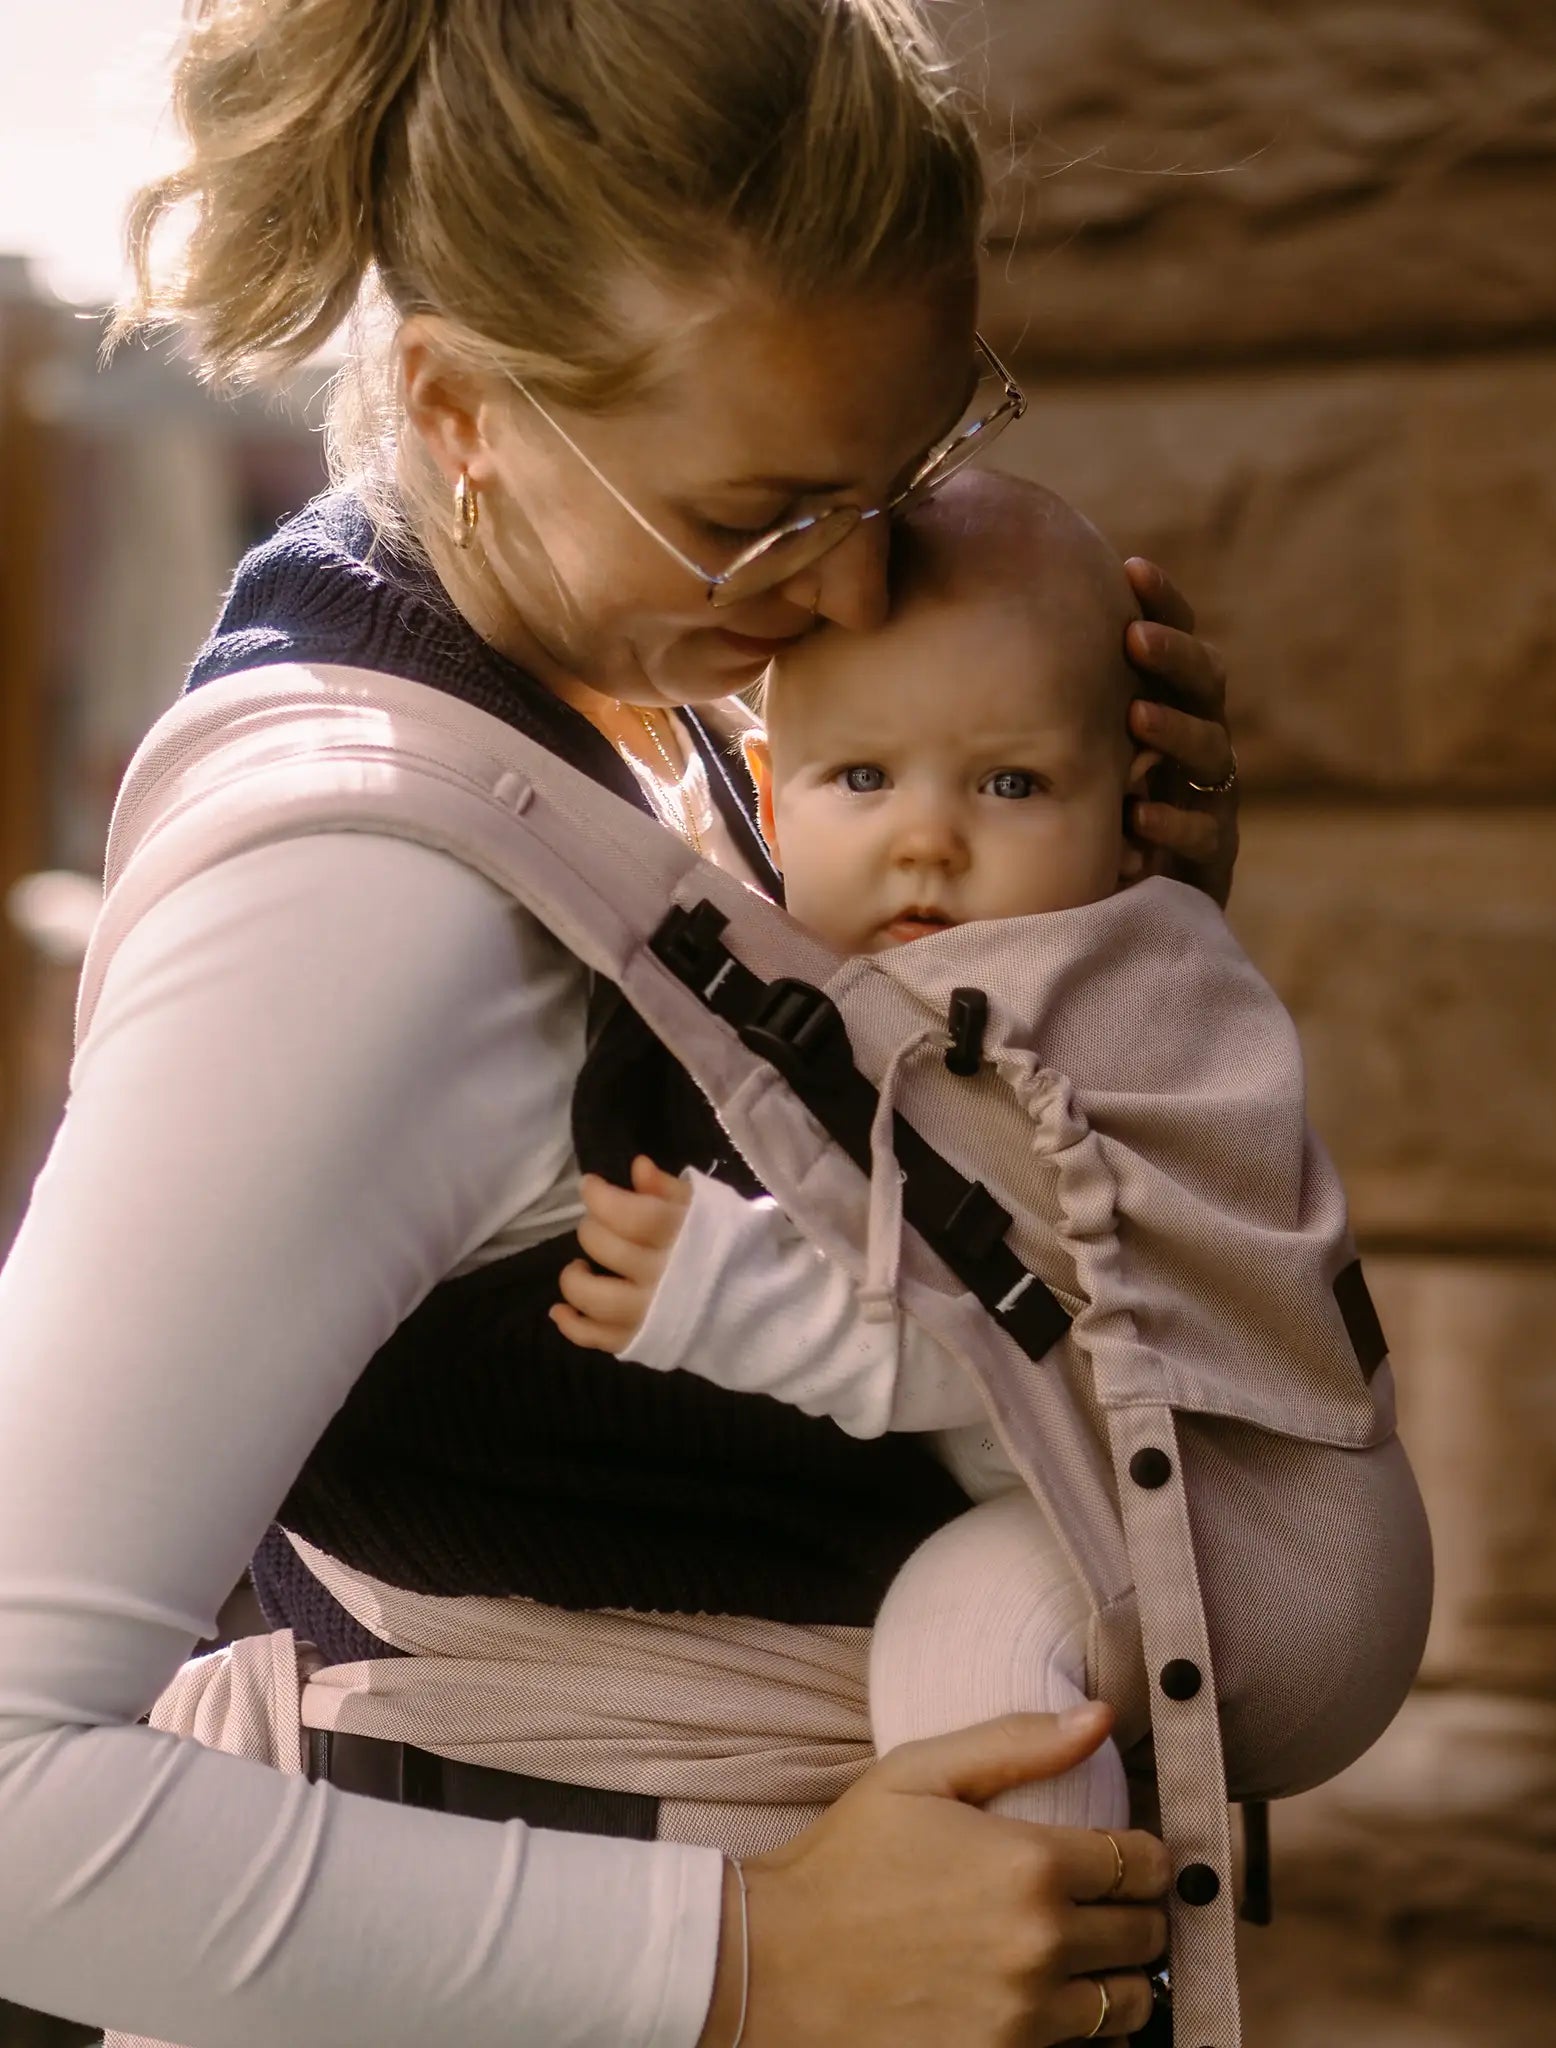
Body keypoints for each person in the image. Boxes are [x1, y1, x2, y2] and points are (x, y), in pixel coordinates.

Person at [0, 3, 1241, 2044]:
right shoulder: (357, 909)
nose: (849, 603)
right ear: (458, 402)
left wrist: (1094, 953)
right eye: (758, 510)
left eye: (912, 471)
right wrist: (754, 1960)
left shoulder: (663, 724)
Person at [548, 468, 1424, 1850]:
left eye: (1009, 782)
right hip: (1231, 1531)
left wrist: (733, 1291)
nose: (926, 838)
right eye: (861, 777)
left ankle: (999, 1979)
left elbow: (1007, 1335)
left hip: (1254, 1547)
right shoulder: (942, 976)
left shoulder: (1098, 996)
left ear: (1134, 804)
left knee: (964, 1639)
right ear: (769, 802)